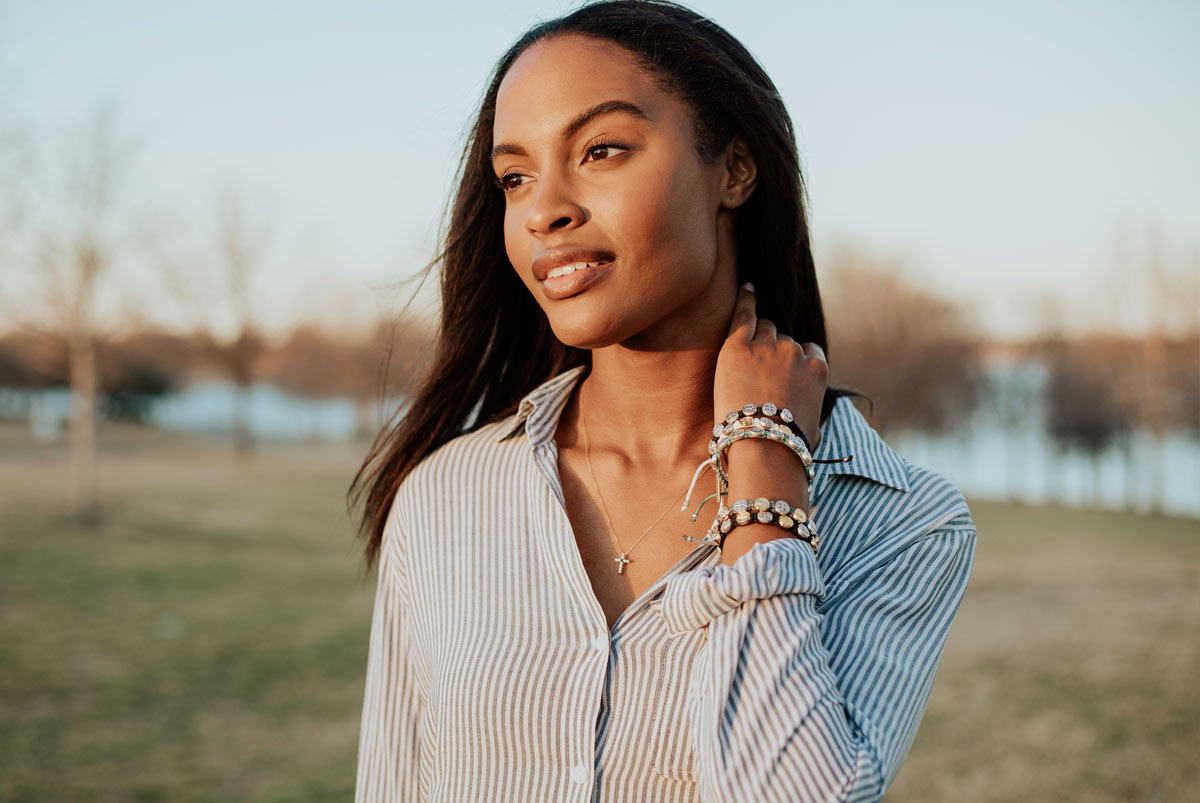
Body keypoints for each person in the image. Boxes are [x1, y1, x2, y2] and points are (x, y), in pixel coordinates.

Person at [351, 2, 977, 801]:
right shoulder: (446, 495)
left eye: (601, 150)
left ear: (735, 169)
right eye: (515, 177)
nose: (544, 210)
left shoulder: (900, 521)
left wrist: (764, 467)